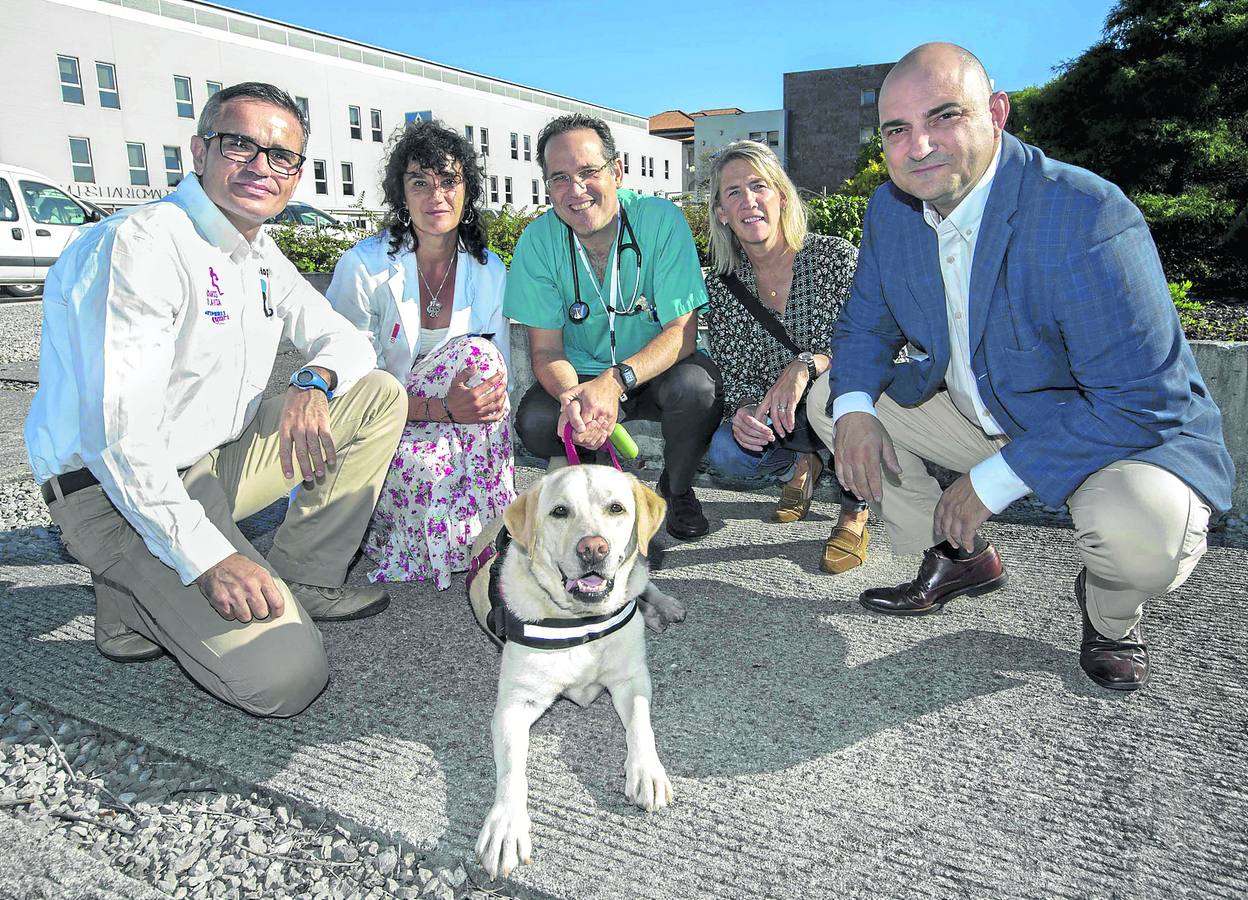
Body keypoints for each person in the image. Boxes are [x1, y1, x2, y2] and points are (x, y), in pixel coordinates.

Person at [810, 43, 1234, 691]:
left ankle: (1111, 615)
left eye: (944, 116)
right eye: (898, 129)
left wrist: (993, 480)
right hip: (976, 406)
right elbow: (866, 324)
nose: (919, 146)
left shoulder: (1087, 215)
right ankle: (960, 555)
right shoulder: (890, 212)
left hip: (1103, 432)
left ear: (998, 113)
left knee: (1145, 537)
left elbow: (1139, 399)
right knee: (832, 402)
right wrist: (857, 412)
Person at [24, 83, 408, 717]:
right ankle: (135, 583)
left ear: (296, 173)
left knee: (374, 395)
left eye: (281, 156)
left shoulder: (255, 250)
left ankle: (299, 575)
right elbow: (117, 442)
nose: (261, 167)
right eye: (240, 145)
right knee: (285, 678)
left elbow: (346, 340)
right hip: (107, 493)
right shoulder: (143, 246)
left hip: (205, 466)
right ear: (200, 150)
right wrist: (210, 557)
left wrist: (315, 382)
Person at [504, 114, 724, 540]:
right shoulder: (537, 241)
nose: (576, 190)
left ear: (617, 171)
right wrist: (573, 397)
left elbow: (682, 331)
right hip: (582, 374)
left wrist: (616, 380)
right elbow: (547, 351)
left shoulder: (662, 222)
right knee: (535, 420)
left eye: (589, 172)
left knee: (699, 390)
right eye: (560, 178)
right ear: (547, 187)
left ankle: (676, 490)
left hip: (656, 369)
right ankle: (602, 481)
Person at [327, 119, 514, 589]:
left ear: (467, 190)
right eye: (420, 183)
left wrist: (456, 415)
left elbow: (497, 381)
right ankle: (448, 525)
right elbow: (349, 387)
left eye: (449, 181)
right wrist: (440, 410)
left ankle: (489, 526)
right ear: (401, 195)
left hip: (462, 427)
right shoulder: (364, 268)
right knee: (429, 472)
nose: (437, 197)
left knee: (483, 359)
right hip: (380, 423)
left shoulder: (488, 269)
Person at [702, 140, 871, 573]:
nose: (748, 201)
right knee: (726, 450)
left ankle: (854, 511)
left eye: (759, 186)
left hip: (847, 407)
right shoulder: (723, 286)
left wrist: (808, 364)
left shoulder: (833, 257)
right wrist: (742, 410)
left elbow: (873, 344)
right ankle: (801, 463)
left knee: (831, 394)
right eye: (733, 192)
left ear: (781, 195)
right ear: (721, 211)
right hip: (786, 420)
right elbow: (735, 372)